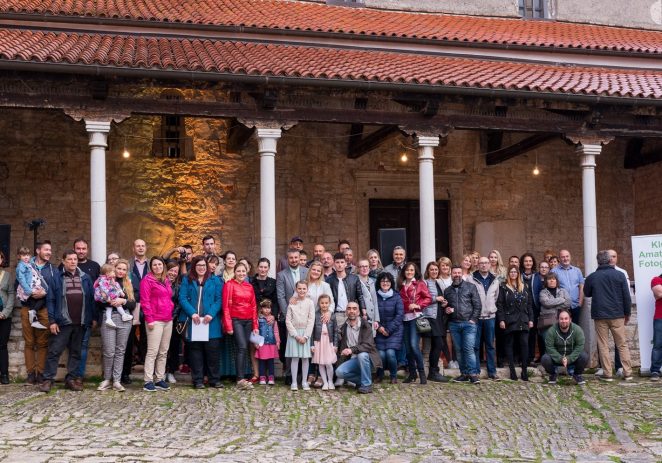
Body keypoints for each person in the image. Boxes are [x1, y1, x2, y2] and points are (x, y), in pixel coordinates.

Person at [39, 250, 95, 393]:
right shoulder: (56, 278)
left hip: (80, 322)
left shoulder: (86, 278)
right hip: (62, 322)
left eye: (75, 259)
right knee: (54, 351)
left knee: (76, 352)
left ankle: (70, 379)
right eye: (69, 259)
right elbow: (50, 301)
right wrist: (52, 321)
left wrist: (92, 318)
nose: (73, 261)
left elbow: (91, 300)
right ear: (63, 261)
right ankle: (48, 380)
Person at [584, 250, 633, 382]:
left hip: (600, 315)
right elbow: (626, 297)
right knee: (622, 344)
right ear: (609, 260)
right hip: (617, 314)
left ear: (598, 261)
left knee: (603, 345)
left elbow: (587, 293)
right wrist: (627, 313)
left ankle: (607, 373)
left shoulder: (592, 277)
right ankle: (627, 372)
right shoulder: (619, 275)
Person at [179, 256, 223, 389]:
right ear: (194, 266)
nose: (201, 267)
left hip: (211, 322)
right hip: (194, 322)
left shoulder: (215, 280)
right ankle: (197, 380)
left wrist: (211, 313)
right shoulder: (187, 280)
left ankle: (214, 379)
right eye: (198, 265)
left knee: (212, 352)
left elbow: (219, 299)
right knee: (195, 352)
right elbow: (182, 298)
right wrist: (192, 313)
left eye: (204, 265)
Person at [97, 259, 135, 392]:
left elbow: (133, 304)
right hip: (109, 317)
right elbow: (98, 301)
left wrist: (123, 300)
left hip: (125, 318)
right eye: (119, 268)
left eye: (124, 269)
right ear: (114, 268)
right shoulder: (105, 281)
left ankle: (117, 381)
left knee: (120, 351)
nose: (121, 271)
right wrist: (111, 301)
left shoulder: (128, 284)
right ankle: (107, 379)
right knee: (109, 351)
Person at [22, 241, 55, 385]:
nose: (49, 252)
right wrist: (31, 293)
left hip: (44, 309)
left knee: (42, 343)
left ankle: (40, 372)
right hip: (27, 307)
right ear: (37, 251)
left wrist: (44, 294)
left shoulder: (52, 269)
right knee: (29, 342)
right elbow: (19, 284)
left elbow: (55, 289)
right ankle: (30, 374)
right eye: (46, 250)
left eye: (50, 250)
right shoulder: (26, 266)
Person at [140, 256, 175, 392]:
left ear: (163, 266)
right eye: (154, 265)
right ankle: (148, 380)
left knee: (163, 351)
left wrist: (170, 307)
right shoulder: (147, 281)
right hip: (155, 320)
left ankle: (159, 379)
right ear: (151, 267)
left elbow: (168, 298)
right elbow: (145, 301)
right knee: (152, 351)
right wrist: (149, 319)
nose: (157, 267)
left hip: (167, 320)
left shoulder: (165, 280)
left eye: (159, 264)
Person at [442, 265, 481, 384]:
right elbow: (446, 307)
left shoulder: (471, 287)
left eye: (459, 273)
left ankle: (473, 374)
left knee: (468, 349)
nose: (457, 275)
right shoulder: (447, 291)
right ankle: (464, 373)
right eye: (454, 273)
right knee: (458, 350)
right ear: (451, 274)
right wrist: (446, 310)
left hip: (469, 324)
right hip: (454, 324)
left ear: (462, 274)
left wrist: (473, 320)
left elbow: (477, 305)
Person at [222, 261, 258, 390]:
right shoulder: (229, 285)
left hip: (248, 320)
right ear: (234, 272)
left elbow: (254, 307)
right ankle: (240, 379)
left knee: (246, 348)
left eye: (243, 271)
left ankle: (242, 376)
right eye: (239, 271)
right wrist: (228, 325)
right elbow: (225, 307)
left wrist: (255, 326)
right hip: (236, 319)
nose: (241, 273)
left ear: (246, 272)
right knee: (242, 347)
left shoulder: (249, 286)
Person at [276, 249, 308, 384]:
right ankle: (289, 374)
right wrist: (288, 314)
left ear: (300, 258)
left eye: (296, 257)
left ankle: (303, 375)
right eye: (291, 258)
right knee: (290, 346)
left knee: (305, 345)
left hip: (305, 316)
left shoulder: (306, 272)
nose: (294, 260)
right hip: (289, 316)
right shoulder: (282, 275)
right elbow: (281, 296)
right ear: (287, 259)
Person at [335, 302, 382, 394]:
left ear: (359, 312)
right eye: (349, 308)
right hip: (353, 360)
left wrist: (351, 350)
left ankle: (366, 385)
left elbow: (368, 345)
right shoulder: (344, 327)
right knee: (339, 372)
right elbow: (342, 347)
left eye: (354, 308)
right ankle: (363, 380)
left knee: (362, 355)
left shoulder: (365, 325)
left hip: (368, 359)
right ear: (346, 311)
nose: (351, 311)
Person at [497, 265, 534, 381]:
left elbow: (529, 305)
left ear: (518, 274)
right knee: (509, 344)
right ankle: (512, 371)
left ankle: (524, 370)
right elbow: (500, 304)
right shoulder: (503, 287)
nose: (513, 274)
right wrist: (501, 319)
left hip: (523, 319)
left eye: (515, 272)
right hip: (510, 319)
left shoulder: (524, 286)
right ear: (508, 274)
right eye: (511, 272)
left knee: (524, 344)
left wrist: (531, 319)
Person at [398, 262, 432, 384]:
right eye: (407, 270)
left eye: (411, 270)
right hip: (404, 319)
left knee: (413, 345)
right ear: (404, 272)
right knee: (407, 348)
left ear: (415, 272)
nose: (409, 272)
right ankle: (412, 374)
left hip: (416, 318)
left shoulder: (419, 284)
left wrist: (418, 305)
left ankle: (422, 373)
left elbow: (428, 298)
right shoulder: (400, 285)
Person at [122, 238, 149, 385]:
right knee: (128, 339)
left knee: (148, 340)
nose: (140, 248)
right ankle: (125, 373)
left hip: (148, 305)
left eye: (142, 246)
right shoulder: (127, 265)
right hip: (132, 304)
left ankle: (149, 374)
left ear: (146, 248)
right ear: (133, 248)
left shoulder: (152, 265)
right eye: (137, 245)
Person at [541, 308, 588, 385]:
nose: (564, 321)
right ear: (558, 320)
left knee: (584, 356)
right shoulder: (551, 331)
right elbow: (550, 348)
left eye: (566, 318)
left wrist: (569, 359)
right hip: (557, 358)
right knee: (545, 358)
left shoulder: (577, 330)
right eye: (561, 319)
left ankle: (577, 374)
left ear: (570, 319)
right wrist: (560, 358)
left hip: (572, 358)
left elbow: (579, 347)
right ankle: (553, 374)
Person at [470, 257, 499, 380]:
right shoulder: (471, 279)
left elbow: (496, 297)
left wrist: (491, 307)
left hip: (490, 317)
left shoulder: (495, 280)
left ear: (489, 265)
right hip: (476, 317)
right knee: (475, 345)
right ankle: (475, 370)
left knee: (490, 345)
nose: (484, 265)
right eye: (481, 263)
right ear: (478, 265)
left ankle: (492, 371)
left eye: (486, 263)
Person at [423, 261, 451, 382]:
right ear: (428, 271)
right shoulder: (425, 283)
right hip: (431, 317)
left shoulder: (438, 283)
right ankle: (433, 371)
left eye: (436, 270)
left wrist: (444, 303)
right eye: (432, 270)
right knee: (438, 343)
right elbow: (421, 299)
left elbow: (441, 299)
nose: (434, 271)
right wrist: (435, 299)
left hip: (439, 316)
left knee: (437, 344)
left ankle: (433, 372)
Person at [374, 272, 404, 384]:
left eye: (387, 281)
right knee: (381, 354)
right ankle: (380, 375)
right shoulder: (375, 296)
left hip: (394, 331)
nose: (385, 283)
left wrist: (389, 329)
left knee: (390, 354)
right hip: (379, 331)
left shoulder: (396, 296)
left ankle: (393, 375)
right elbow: (372, 315)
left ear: (391, 283)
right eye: (383, 281)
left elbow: (399, 315)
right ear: (379, 283)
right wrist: (380, 328)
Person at [285, 281, 315, 391]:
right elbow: (288, 321)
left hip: (305, 333)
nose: (302, 291)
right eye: (299, 288)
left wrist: (306, 336)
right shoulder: (292, 303)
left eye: (304, 289)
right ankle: (294, 382)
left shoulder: (310, 303)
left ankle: (304, 381)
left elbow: (311, 320)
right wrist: (296, 335)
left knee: (305, 358)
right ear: (296, 289)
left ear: (307, 290)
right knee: (295, 358)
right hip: (294, 334)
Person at [326, 252, 364, 331]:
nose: (340, 265)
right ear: (333, 264)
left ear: (346, 264)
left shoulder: (354, 278)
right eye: (337, 262)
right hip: (337, 314)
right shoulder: (329, 280)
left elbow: (360, 296)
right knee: (339, 339)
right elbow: (327, 299)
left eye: (342, 262)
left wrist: (364, 311)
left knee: (353, 338)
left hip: (351, 312)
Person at [16, 246, 48, 329]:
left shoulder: (28, 263)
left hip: (33, 286)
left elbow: (34, 259)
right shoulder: (21, 266)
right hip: (29, 287)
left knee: (39, 299)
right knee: (41, 299)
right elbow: (21, 279)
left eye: (27, 255)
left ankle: (33, 318)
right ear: (19, 257)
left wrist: (40, 254)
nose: (26, 257)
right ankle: (33, 316)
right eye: (23, 255)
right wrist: (28, 290)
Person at [311, 294, 337, 390]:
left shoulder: (332, 316)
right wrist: (311, 345)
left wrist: (335, 344)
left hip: (329, 342)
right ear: (319, 303)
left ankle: (330, 381)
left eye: (326, 303)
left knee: (329, 363)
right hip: (319, 341)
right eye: (322, 303)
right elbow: (312, 331)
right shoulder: (315, 315)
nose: (324, 305)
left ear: (329, 303)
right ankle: (325, 382)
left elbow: (335, 331)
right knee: (321, 363)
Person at [94, 264, 133, 328]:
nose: (115, 273)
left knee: (111, 307)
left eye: (124, 269)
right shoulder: (103, 279)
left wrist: (120, 292)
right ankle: (120, 316)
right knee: (114, 305)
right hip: (104, 296)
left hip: (108, 296)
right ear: (108, 273)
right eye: (113, 272)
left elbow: (115, 285)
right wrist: (108, 298)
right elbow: (104, 289)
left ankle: (115, 317)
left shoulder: (110, 279)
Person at [520, 252, 542, 364]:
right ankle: (521, 358)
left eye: (530, 261)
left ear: (533, 263)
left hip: (534, 309)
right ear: (522, 263)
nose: (528, 263)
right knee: (522, 333)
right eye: (526, 261)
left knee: (532, 334)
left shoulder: (537, 276)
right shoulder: (519, 275)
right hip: (521, 309)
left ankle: (531, 358)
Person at [552, 249, 584, 325]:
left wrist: (580, 303)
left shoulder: (577, 271)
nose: (565, 258)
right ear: (559, 259)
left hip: (575, 306)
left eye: (567, 256)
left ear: (570, 257)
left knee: (575, 327)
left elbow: (581, 287)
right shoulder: (554, 271)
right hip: (562, 306)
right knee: (562, 328)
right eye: (563, 257)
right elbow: (552, 289)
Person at [538, 273, 571, 340]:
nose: (552, 281)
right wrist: (561, 300)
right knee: (548, 344)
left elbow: (568, 303)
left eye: (553, 279)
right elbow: (546, 303)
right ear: (546, 281)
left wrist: (552, 305)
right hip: (547, 323)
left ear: (556, 281)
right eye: (549, 279)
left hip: (562, 322)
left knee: (561, 343)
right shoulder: (543, 292)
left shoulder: (563, 291)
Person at [165, 261, 183, 383]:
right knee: (162, 347)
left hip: (174, 319)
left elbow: (179, 303)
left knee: (174, 346)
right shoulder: (160, 283)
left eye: (175, 271)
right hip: (161, 318)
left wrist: (173, 315)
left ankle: (171, 371)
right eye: (171, 270)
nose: (172, 273)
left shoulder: (179, 286)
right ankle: (161, 371)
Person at [255, 299, 280, 385]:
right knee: (262, 361)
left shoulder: (273, 320)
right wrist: (256, 342)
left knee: (270, 361)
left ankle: (271, 376)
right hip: (262, 344)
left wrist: (278, 342)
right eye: (265, 308)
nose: (267, 310)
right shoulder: (258, 319)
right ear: (261, 308)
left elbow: (276, 331)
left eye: (268, 308)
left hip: (271, 344)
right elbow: (256, 330)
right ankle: (262, 376)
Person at [0, 251, 16, 384]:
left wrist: (5, 312)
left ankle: (4, 374)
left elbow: (11, 295)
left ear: (1, 260)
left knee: (2, 346)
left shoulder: (7, 276)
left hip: (4, 316)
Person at [357, 259, 379, 335]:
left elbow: (375, 301)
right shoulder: (355, 280)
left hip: (372, 318)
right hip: (361, 317)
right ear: (358, 268)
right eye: (362, 266)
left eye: (366, 266)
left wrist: (376, 319)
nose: (364, 268)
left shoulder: (372, 281)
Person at [650, 273, 662, 381]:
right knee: (658, 345)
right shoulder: (656, 279)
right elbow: (659, 294)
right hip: (660, 317)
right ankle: (655, 370)